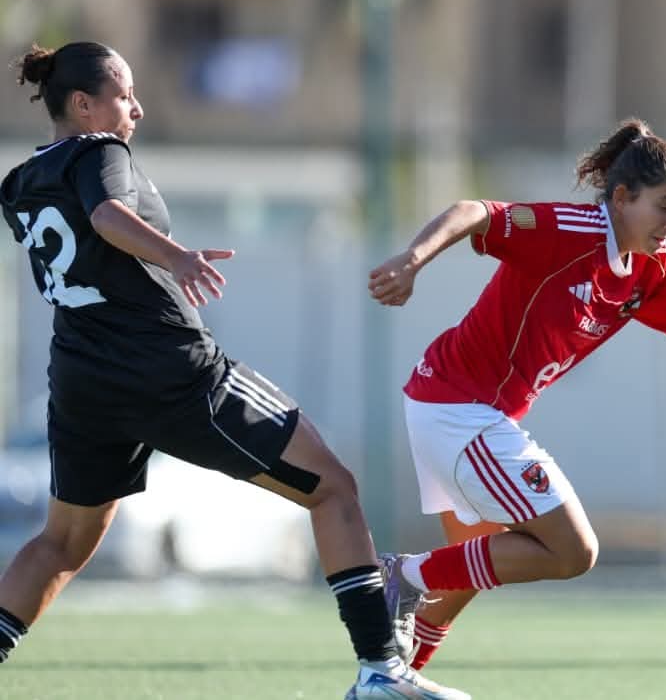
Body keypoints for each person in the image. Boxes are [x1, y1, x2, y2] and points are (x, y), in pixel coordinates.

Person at [0, 42, 468, 700]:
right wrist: (177, 256)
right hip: (167, 369)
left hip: (82, 379)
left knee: (60, 544)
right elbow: (106, 216)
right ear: (82, 105)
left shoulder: (19, 182)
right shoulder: (99, 150)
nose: (136, 108)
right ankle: (381, 671)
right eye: (123, 95)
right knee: (333, 488)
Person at [367, 118, 666, 671]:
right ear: (622, 198)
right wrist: (412, 260)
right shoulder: (568, 231)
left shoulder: (651, 271)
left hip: (469, 412)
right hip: (456, 408)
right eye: (665, 205)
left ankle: (393, 676)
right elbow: (473, 211)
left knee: (464, 573)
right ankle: (401, 576)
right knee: (573, 550)